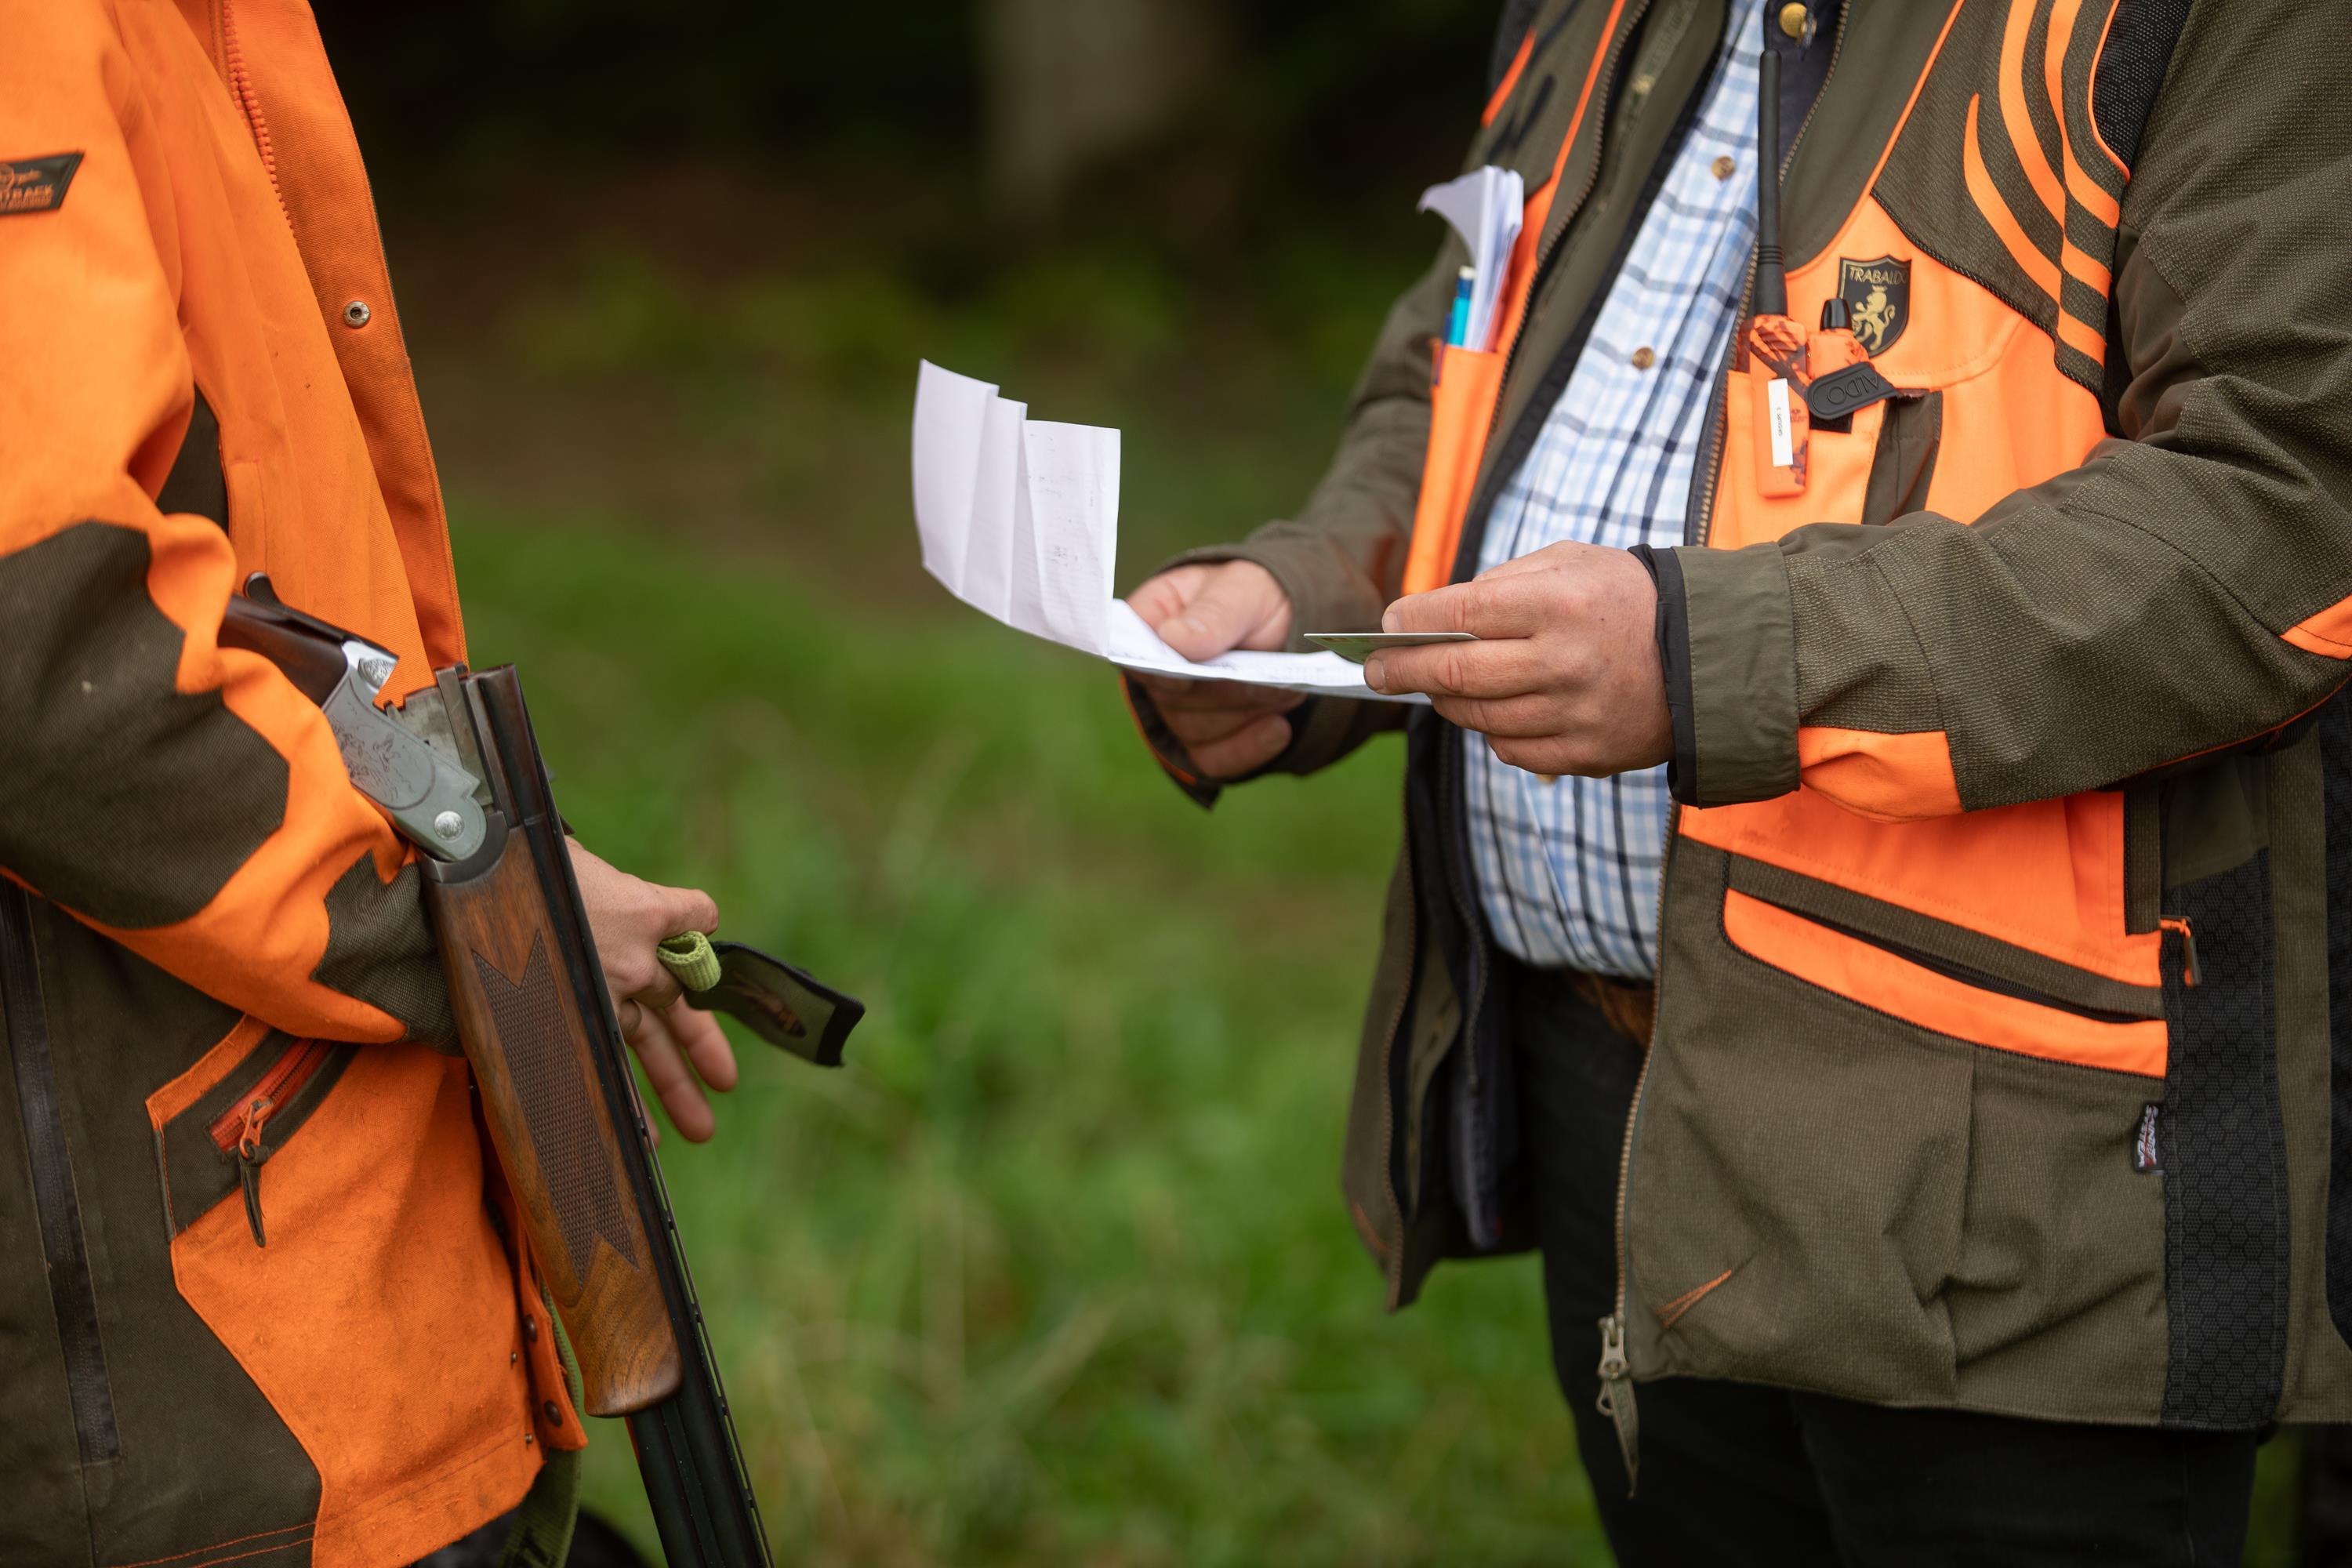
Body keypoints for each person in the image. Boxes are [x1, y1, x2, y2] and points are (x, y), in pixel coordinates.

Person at [1123, 0, 2352, 1561]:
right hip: (1613, 1088)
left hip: (2017, 1150)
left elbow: (2286, 510)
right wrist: (1300, 599)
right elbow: (1464, 378)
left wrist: (1713, 656)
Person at [0, 2, 739, 1563]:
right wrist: (485, 905)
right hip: (184, 1394)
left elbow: (247, 612)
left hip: (327, 1295)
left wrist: (472, 870)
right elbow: (54, 655)